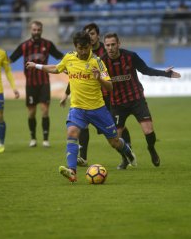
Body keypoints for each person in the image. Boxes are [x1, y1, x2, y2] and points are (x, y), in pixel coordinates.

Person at [26, 31, 136, 183]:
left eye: (86, 48)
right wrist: (36, 66)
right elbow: (56, 68)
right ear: (75, 47)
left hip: (98, 109)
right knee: (71, 132)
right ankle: (72, 172)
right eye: (80, 48)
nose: (83, 52)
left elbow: (110, 87)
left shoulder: (97, 62)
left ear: (90, 45)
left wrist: (100, 79)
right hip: (77, 108)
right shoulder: (69, 57)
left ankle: (127, 151)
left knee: (114, 142)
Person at [102, 32, 181, 169]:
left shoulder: (130, 56)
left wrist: (165, 74)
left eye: (113, 44)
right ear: (104, 46)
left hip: (136, 99)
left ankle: (151, 148)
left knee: (148, 130)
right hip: (117, 103)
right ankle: (126, 157)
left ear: (119, 44)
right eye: (107, 45)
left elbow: (145, 70)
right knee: (114, 140)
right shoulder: (101, 62)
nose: (110, 48)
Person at [60, 23, 132, 168]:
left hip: (104, 99)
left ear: (97, 36)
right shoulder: (75, 56)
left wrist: (100, 77)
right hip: (81, 104)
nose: (90, 37)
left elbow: (108, 80)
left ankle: (126, 154)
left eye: (92, 34)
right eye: (88, 34)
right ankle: (79, 163)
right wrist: (66, 94)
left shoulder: (100, 56)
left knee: (116, 135)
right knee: (78, 129)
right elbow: (76, 77)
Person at [9, 20, 64, 148]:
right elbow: (10, 59)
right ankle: (33, 138)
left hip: (44, 82)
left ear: (42, 30)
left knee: (45, 110)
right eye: (34, 30)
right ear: (30, 30)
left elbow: (60, 56)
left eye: (38, 30)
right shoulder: (24, 46)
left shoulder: (48, 44)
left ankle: (45, 139)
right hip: (30, 84)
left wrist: (73, 59)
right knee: (31, 112)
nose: (36, 32)